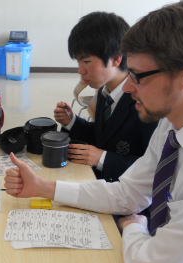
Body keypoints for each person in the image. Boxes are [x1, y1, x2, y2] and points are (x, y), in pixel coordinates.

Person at [5, 1, 183, 263]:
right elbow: (128, 193)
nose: (127, 87)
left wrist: (133, 226)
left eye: (138, 76)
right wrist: (42, 187)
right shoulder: (171, 125)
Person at [54, 12, 158, 182]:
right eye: (78, 62)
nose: (80, 70)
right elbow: (104, 136)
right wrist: (71, 122)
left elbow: (154, 169)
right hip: (100, 185)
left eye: (86, 62)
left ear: (116, 58)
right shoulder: (105, 90)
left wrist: (103, 158)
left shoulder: (147, 103)